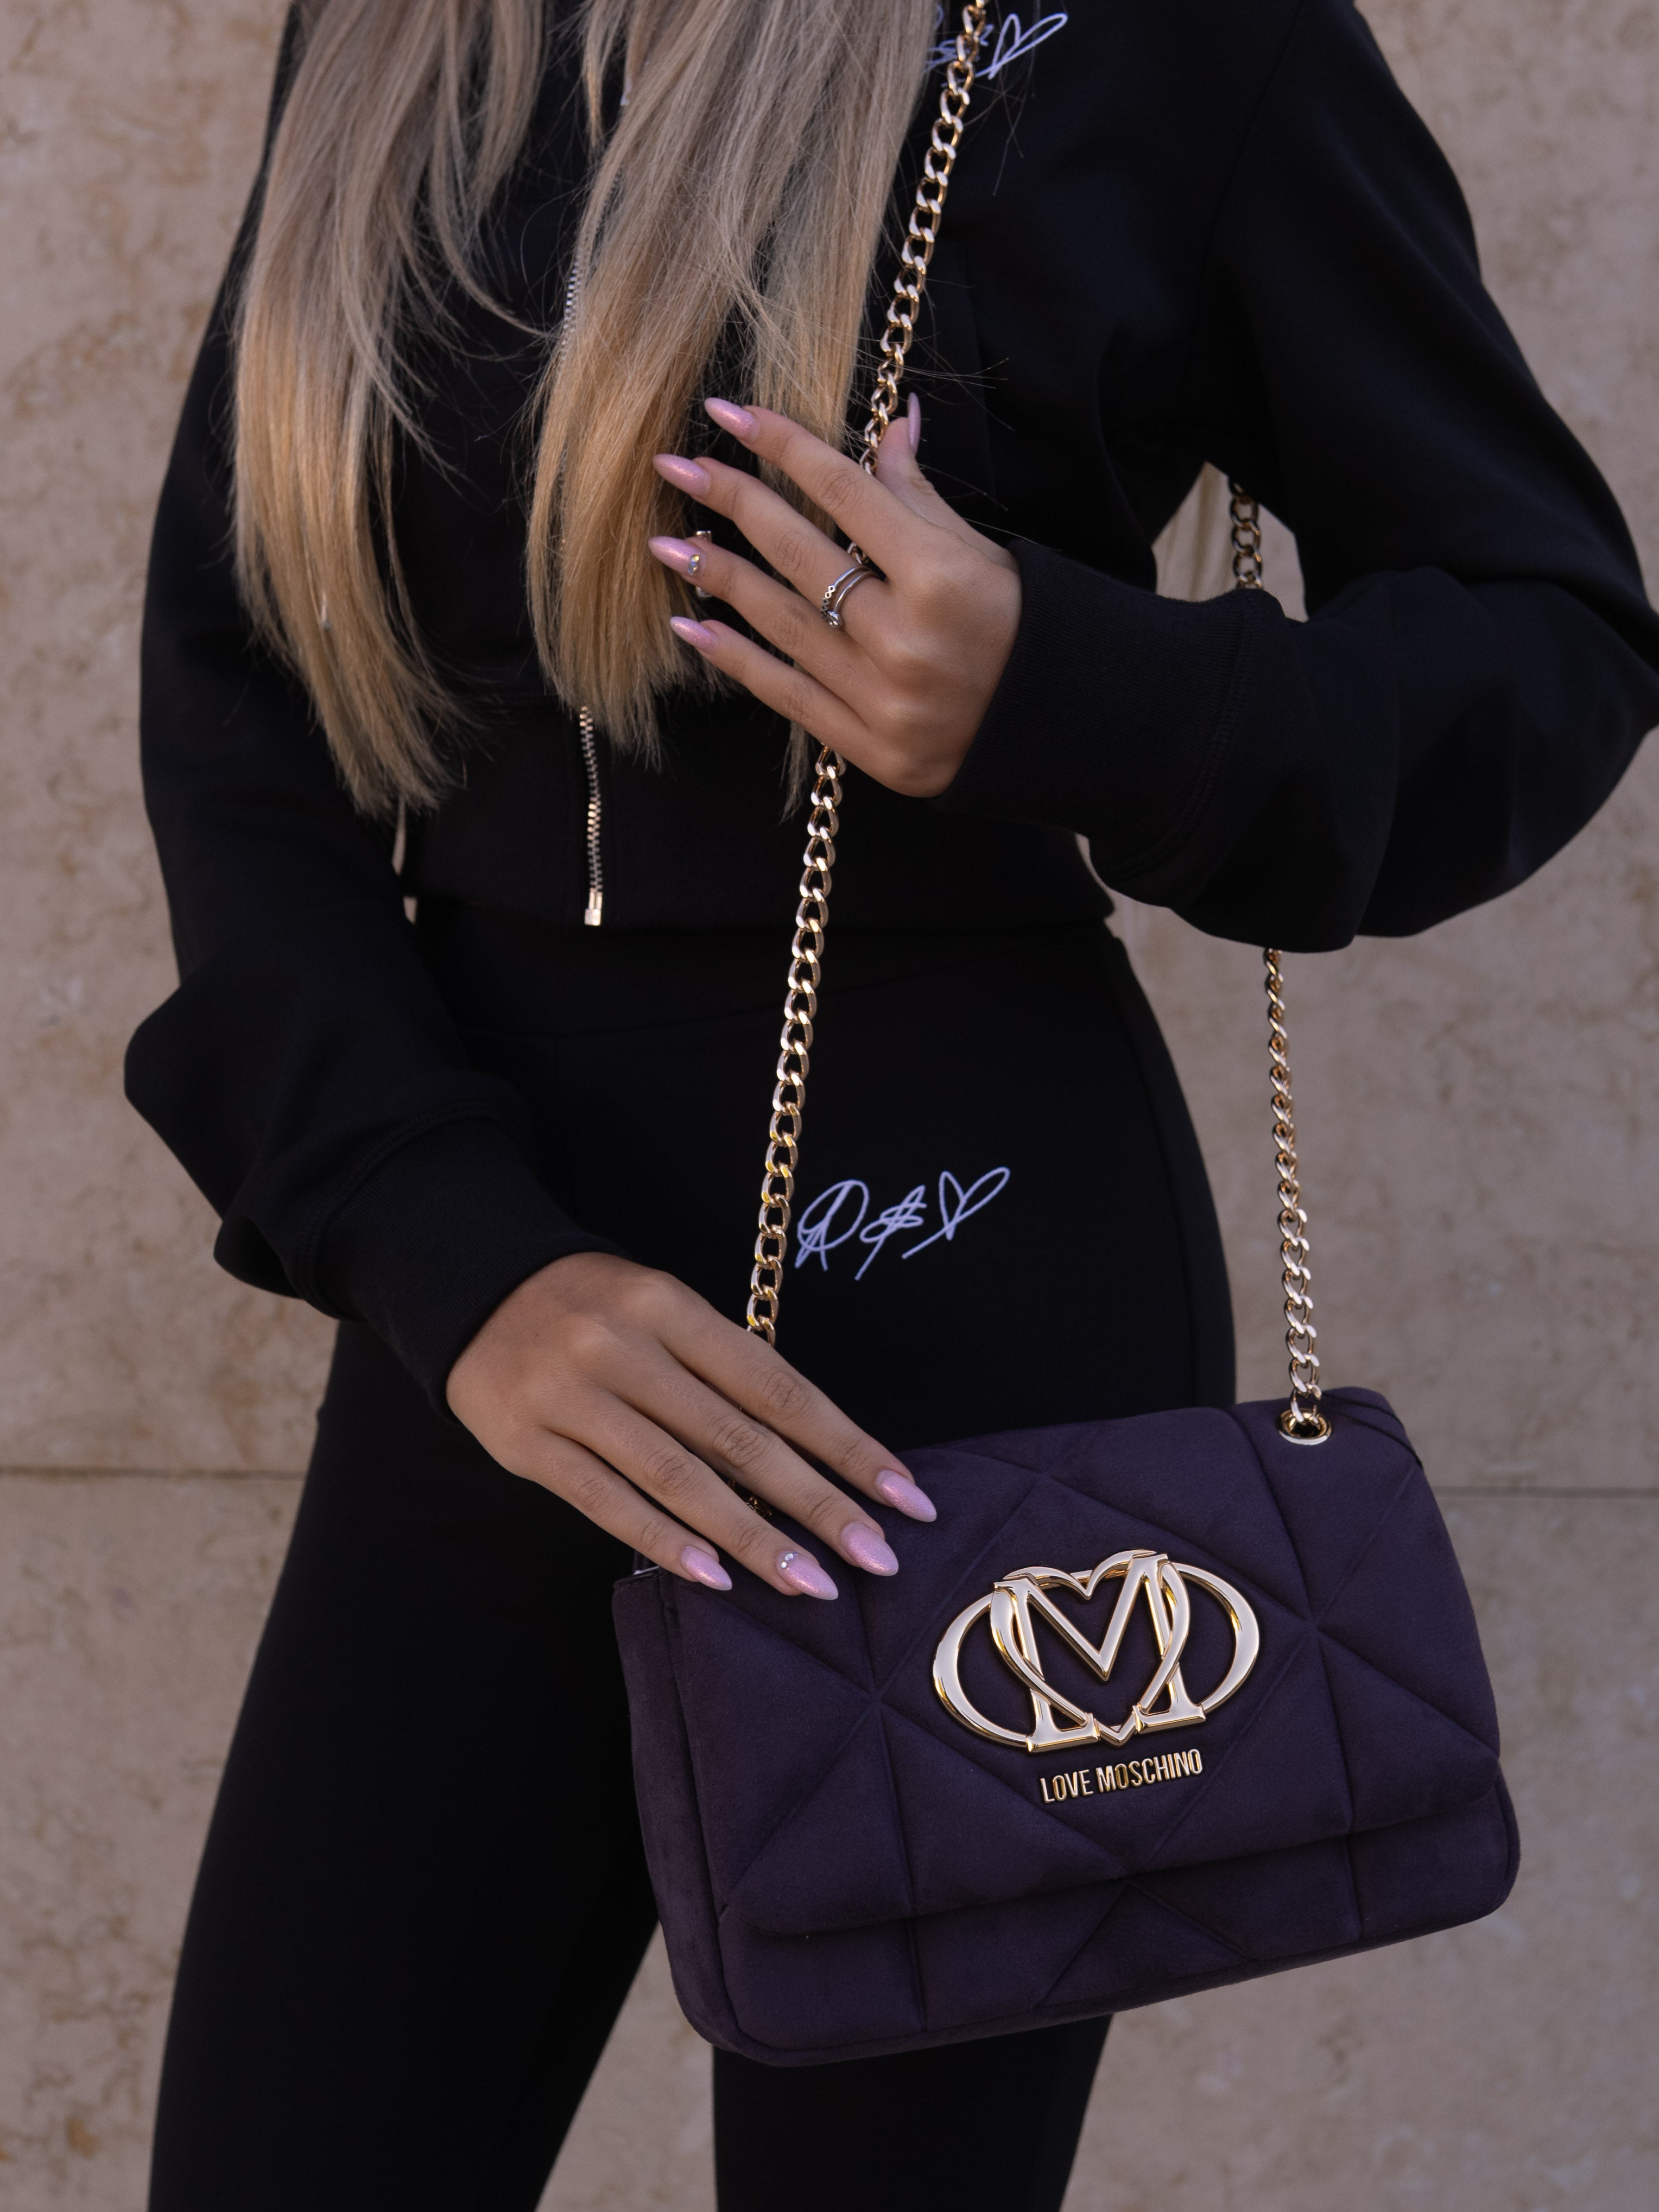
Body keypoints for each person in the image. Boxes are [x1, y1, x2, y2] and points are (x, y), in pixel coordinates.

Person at [129, 2, 1658, 2207]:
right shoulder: (402, 31)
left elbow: (1552, 641)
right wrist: (441, 1246)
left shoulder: (1170, 39)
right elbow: (243, 713)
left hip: (972, 1325)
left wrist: (1073, 686)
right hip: (494, 1325)